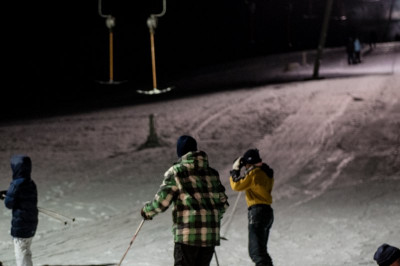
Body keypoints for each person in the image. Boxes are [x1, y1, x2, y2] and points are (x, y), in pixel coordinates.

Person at [141, 135, 229, 266]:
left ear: (180, 152)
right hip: (209, 237)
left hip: (188, 236)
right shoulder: (212, 173)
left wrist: (147, 211)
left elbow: (162, 202)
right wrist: (210, 219)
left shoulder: (177, 172)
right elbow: (223, 204)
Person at [229, 149, 274, 266]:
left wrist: (235, 170)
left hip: (257, 212)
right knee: (261, 252)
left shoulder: (254, 174)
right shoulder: (266, 172)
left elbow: (236, 185)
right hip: (267, 212)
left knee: (256, 253)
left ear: (249, 163)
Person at [1, 155, 38, 266]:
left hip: (21, 226)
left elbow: (9, 204)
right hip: (31, 224)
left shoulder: (15, 184)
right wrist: (8, 194)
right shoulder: (31, 183)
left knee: (21, 254)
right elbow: (23, 197)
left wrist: (7, 196)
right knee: (26, 252)